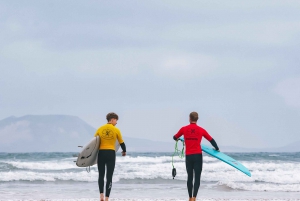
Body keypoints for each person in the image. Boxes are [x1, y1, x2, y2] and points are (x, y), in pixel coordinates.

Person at [173, 112, 219, 201]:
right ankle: (194, 197)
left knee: (189, 177)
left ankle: (190, 197)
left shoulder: (184, 129)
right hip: (198, 155)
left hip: (188, 156)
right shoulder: (201, 130)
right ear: (197, 119)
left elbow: (174, 137)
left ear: (189, 118)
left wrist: (180, 139)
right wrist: (217, 148)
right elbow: (211, 140)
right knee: (197, 177)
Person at [94, 112, 126, 201]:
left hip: (101, 153)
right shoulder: (116, 130)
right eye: (116, 120)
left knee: (101, 175)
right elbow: (121, 142)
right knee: (109, 176)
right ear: (112, 120)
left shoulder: (100, 129)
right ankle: (107, 198)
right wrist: (124, 151)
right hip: (111, 154)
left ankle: (101, 195)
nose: (116, 122)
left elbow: (94, 143)